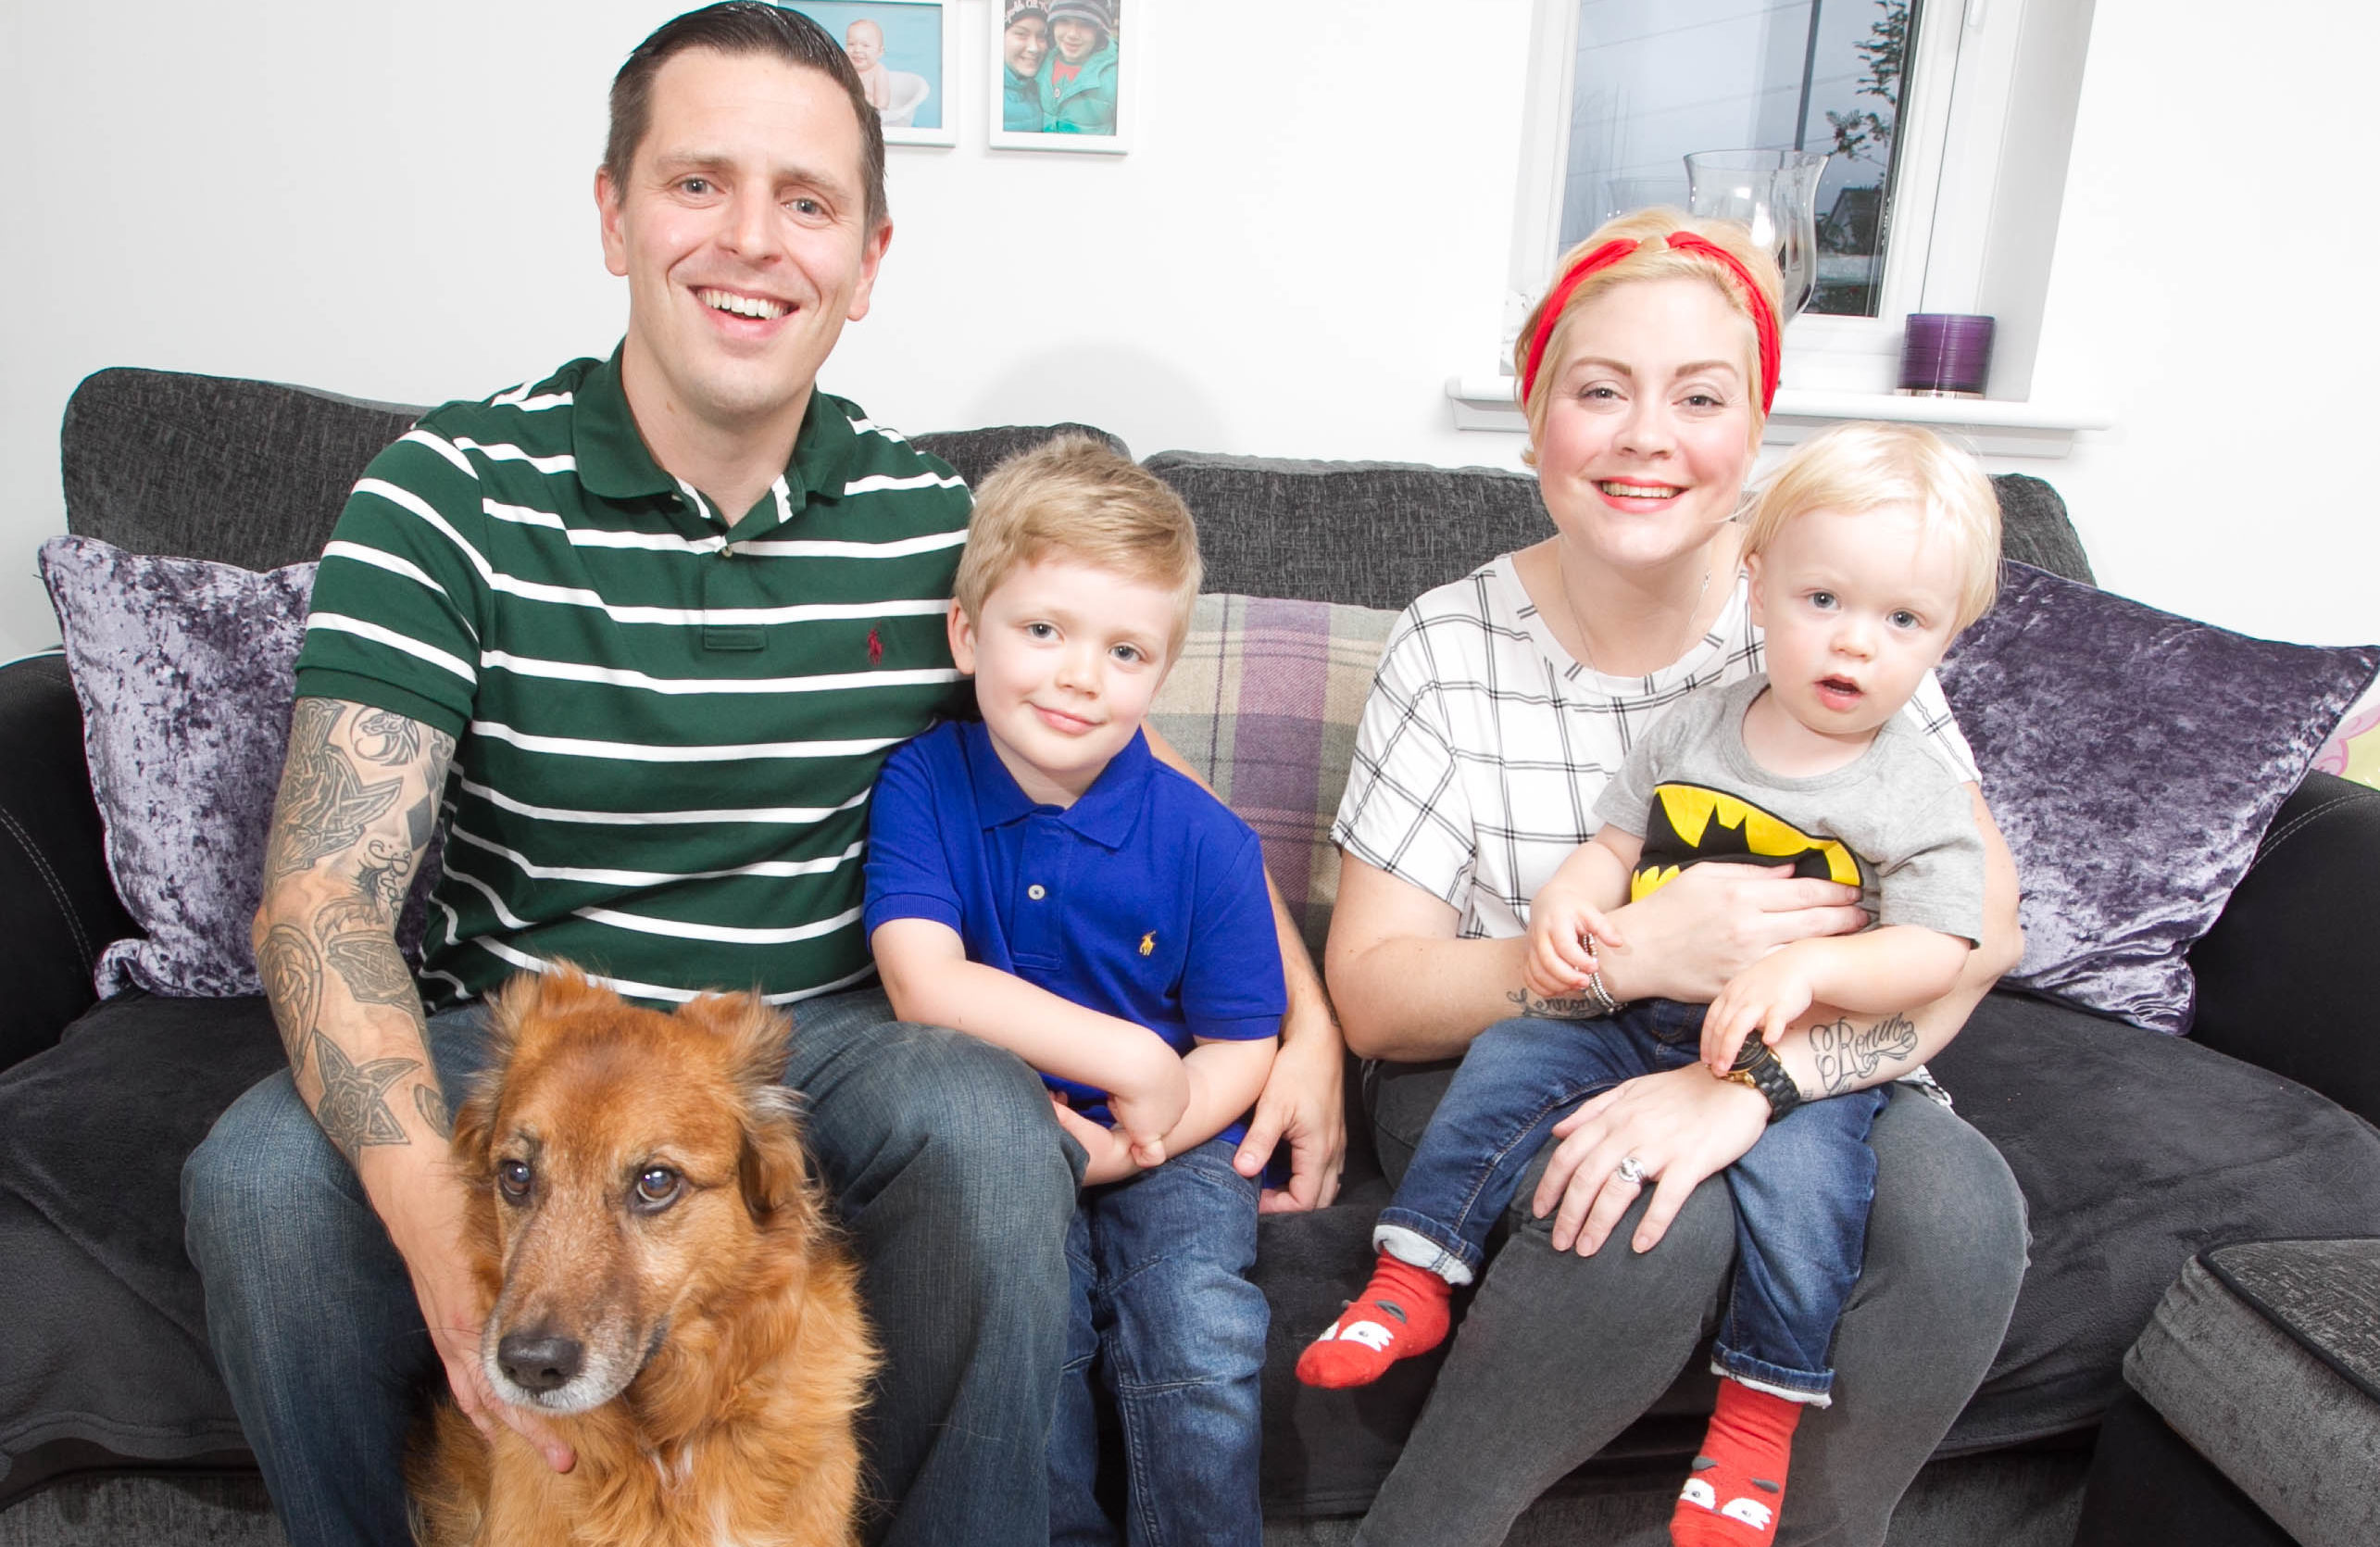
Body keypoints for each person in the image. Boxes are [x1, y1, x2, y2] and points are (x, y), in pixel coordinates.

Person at [177, 8, 1346, 1547]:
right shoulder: (444, 497)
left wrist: (1307, 1025)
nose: (752, 240)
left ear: (866, 262)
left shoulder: (937, 530)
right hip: (525, 1035)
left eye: (806, 201)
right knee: (258, 1181)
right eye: (697, 183)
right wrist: (452, 1245)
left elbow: (1133, 771)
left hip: (820, 1035)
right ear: (612, 212)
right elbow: (322, 897)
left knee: (994, 1137)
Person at [1322, 208, 2030, 1547]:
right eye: (1599, 390)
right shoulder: (1449, 640)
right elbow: (1372, 993)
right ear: (1534, 418)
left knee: (1961, 1217)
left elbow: (1977, 933)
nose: (1647, 435)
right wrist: (1625, 955)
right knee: (1649, 1219)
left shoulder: (1831, 614)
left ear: (1751, 436)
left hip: (1801, 1057)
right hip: (1527, 1045)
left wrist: (1745, 1085)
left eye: (1698, 397)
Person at [866, 436, 1280, 1545]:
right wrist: (1110, 1073)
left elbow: (1244, 1043)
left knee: (1199, 1330)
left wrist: (1151, 1123)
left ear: (1160, 672)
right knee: (1023, 1338)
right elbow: (921, 979)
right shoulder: (921, 782)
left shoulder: (1209, 843)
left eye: (1124, 649)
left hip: (1171, 1136)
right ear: (967, 631)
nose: (1077, 675)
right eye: (1042, 629)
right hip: (1003, 1130)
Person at [1038, 0, 1120, 136]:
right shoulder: (1043, 61)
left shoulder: (1115, 75)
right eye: (1064, 21)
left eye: (1085, 24)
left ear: (1099, 29)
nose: (1072, 34)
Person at [1000, 0, 1052, 131]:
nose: (1034, 48)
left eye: (1041, 36)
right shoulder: (980, 93)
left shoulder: (1043, 86)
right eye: (1021, 34)